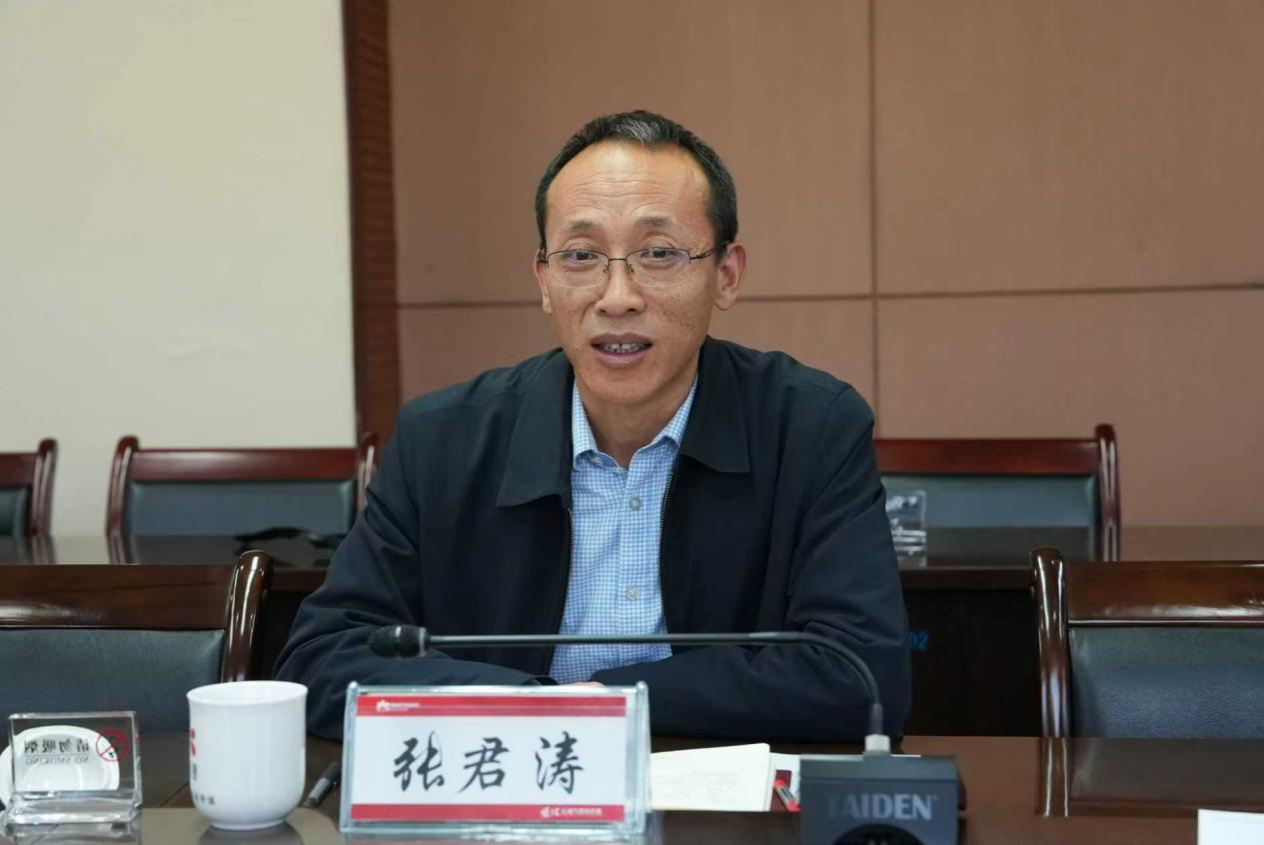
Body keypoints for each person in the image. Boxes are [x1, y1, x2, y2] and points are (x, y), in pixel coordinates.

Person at [277, 110, 910, 741]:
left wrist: (605, 704)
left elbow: (863, 676)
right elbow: (323, 659)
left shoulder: (810, 429)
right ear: (544, 281)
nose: (617, 297)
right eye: (581, 256)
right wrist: (538, 709)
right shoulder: (440, 441)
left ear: (726, 275)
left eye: (657, 253)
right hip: (507, 785)